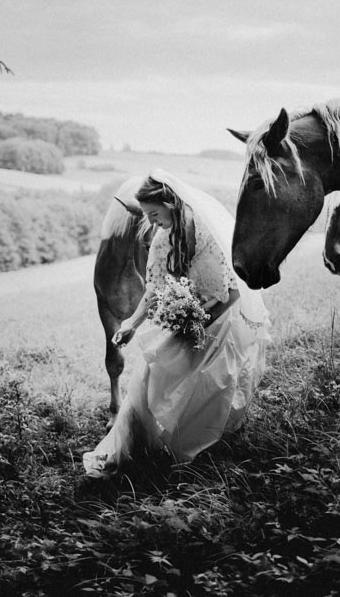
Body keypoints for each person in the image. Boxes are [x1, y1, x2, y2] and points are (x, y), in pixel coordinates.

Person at [83, 169, 270, 478]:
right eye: (146, 216)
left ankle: (198, 444)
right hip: (187, 321)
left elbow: (233, 293)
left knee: (213, 383)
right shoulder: (161, 239)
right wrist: (131, 324)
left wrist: (201, 323)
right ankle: (133, 447)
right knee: (150, 380)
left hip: (219, 320)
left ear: (171, 204)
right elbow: (154, 289)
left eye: (154, 214)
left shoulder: (208, 234)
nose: (151, 222)